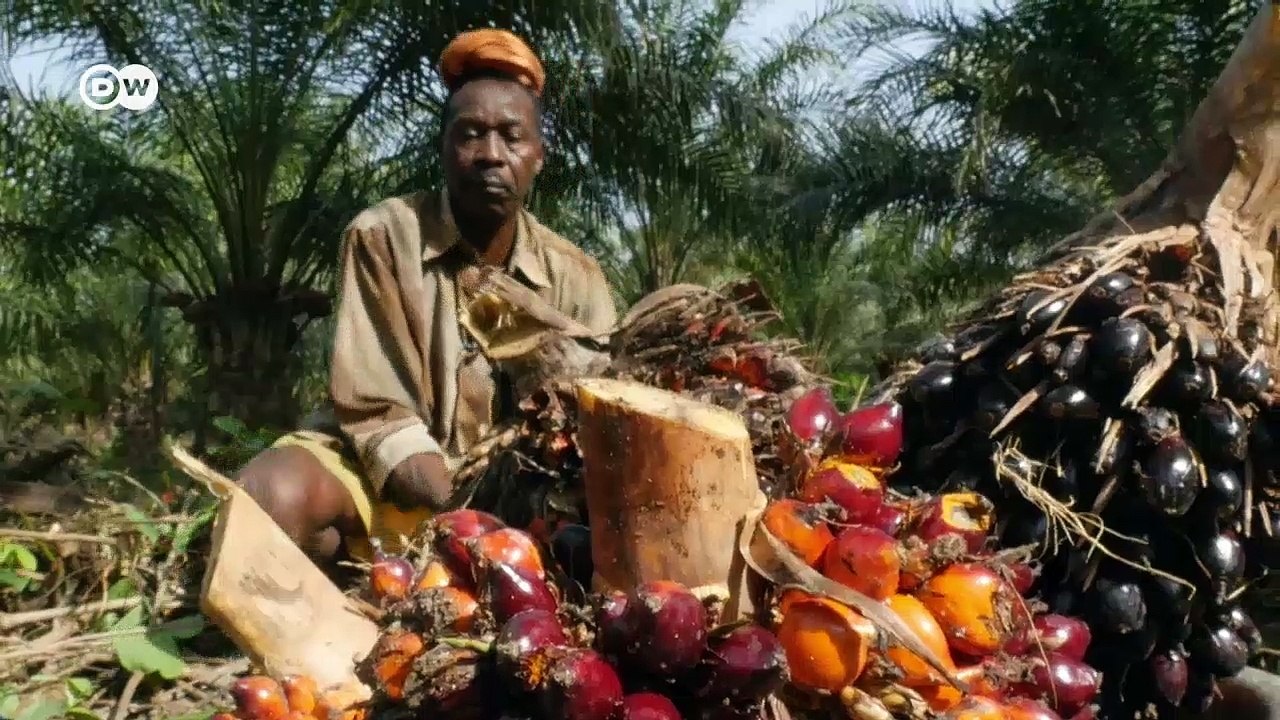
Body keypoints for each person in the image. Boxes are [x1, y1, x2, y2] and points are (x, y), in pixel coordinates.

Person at [234, 28, 618, 565]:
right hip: (389, 477)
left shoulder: (577, 276)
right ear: (443, 147)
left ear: (538, 157)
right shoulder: (384, 236)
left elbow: (595, 427)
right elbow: (377, 413)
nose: (491, 155)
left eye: (512, 136)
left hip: (521, 500)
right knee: (269, 500)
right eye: (470, 134)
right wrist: (466, 520)